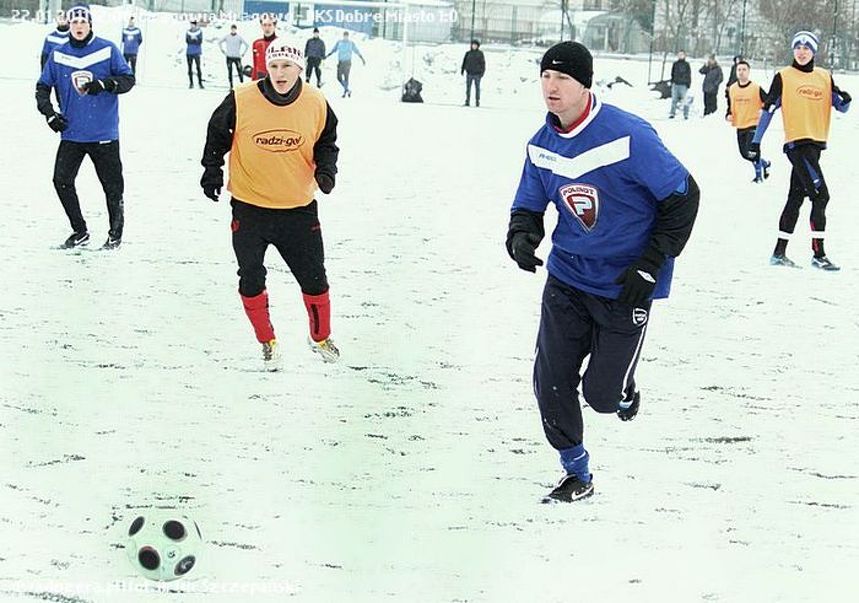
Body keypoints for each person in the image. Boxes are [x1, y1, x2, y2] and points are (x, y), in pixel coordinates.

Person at [506, 41, 699, 503]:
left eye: (562, 79)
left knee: (602, 398)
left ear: (585, 84)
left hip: (626, 284)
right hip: (568, 277)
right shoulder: (541, 146)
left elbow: (684, 197)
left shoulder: (629, 136)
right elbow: (528, 204)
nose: (551, 87)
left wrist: (652, 265)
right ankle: (577, 471)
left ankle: (622, 386)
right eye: (545, 77)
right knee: (549, 382)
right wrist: (521, 235)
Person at [200, 42, 340, 369]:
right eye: (274, 66)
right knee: (250, 278)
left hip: (298, 210)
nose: (280, 73)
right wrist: (211, 171)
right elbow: (216, 136)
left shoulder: (316, 102)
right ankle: (267, 341)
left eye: (287, 67)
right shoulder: (241, 98)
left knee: (315, 279)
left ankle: (320, 337)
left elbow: (327, 142)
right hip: (250, 209)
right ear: (266, 66)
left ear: (300, 69)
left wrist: (326, 170)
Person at [35, 4, 135, 250]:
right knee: (61, 180)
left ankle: (115, 236)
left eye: (83, 22)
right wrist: (50, 115)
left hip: (104, 133)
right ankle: (80, 231)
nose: (79, 26)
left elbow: (128, 80)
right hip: (72, 133)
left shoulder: (108, 49)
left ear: (90, 24)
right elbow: (42, 88)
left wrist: (105, 84)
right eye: (75, 22)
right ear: (69, 25)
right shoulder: (58, 54)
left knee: (112, 186)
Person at [749, 31, 851, 271]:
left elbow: (841, 106)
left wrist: (845, 99)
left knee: (796, 198)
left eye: (807, 47)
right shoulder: (783, 76)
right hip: (797, 145)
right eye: (798, 47)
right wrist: (756, 142)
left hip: (815, 145)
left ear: (814, 51)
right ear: (793, 50)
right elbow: (768, 111)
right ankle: (819, 255)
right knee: (821, 195)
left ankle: (779, 253)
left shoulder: (824, 77)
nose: (802, 51)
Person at [725, 60, 770, 182]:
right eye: (739, 70)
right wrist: (728, 114)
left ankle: (758, 176)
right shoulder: (733, 88)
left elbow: (768, 101)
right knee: (744, 154)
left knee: (752, 151)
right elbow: (730, 105)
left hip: (753, 123)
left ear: (749, 72)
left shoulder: (756, 88)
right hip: (740, 124)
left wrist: (763, 110)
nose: (741, 72)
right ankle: (764, 163)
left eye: (744, 69)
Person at [325, 30, 365, 98]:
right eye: (344, 36)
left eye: (346, 36)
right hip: (340, 62)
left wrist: (362, 58)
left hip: (347, 62)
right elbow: (334, 49)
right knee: (339, 77)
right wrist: (328, 55)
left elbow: (356, 51)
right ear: (343, 36)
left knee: (346, 77)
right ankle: (347, 89)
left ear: (348, 36)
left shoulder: (351, 43)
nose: (345, 37)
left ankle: (345, 92)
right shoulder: (339, 42)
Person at [219, 24, 248, 89]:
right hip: (229, 56)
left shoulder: (239, 37)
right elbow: (219, 42)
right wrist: (222, 50)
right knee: (230, 71)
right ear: (231, 29)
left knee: (239, 70)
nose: (233, 30)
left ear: (236, 29)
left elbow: (246, 45)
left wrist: (243, 53)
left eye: (234, 29)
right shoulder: (227, 36)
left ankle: (242, 84)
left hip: (237, 57)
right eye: (232, 29)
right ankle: (231, 85)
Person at [251, 14, 277, 80]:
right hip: (260, 78)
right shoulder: (256, 43)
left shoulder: (279, 42)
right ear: (261, 26)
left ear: (274, 26)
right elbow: (255, 65)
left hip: (275, 78)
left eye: (270, 25)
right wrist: (253, 80)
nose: (267, 28)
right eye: (264, 25)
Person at [460, 39, 485, 107]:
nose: (474, 46)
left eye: (475, 45)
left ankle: (477, 101)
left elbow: (483, 64)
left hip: (477, 74)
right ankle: (467, 101)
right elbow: (464, 62)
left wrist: (482, 73)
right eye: (473, 45)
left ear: (478, 46)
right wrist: (462, 70)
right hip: (469, 73)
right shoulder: (468, 53)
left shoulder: (480, 54)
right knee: (468, 88)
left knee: (477, 88)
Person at [669, 49, 691, 119]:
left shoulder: (687, 64)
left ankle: (686, 114)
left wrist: (688, 84)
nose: (680, 56)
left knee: (685, 100)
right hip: (675, 84)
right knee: (674, 100)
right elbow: (672, 73)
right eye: (679, 54)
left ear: (684, 56)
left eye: (682, 54)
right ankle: (672, 113)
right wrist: (672, 82)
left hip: (683, 85)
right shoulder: (675, 64)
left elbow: (689, 74)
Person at [185, 19, 203, 88]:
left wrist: (195, 39)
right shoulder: (188, 32)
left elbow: (200, 41)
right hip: (189, 52)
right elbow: (187, 41)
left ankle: (200, 83)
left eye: (193, 24)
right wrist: (192, 40)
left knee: (198, 67)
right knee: (190, 68)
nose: (192, 26)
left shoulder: (199, 32)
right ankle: (191, 83)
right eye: (191, 24)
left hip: (196, 52)